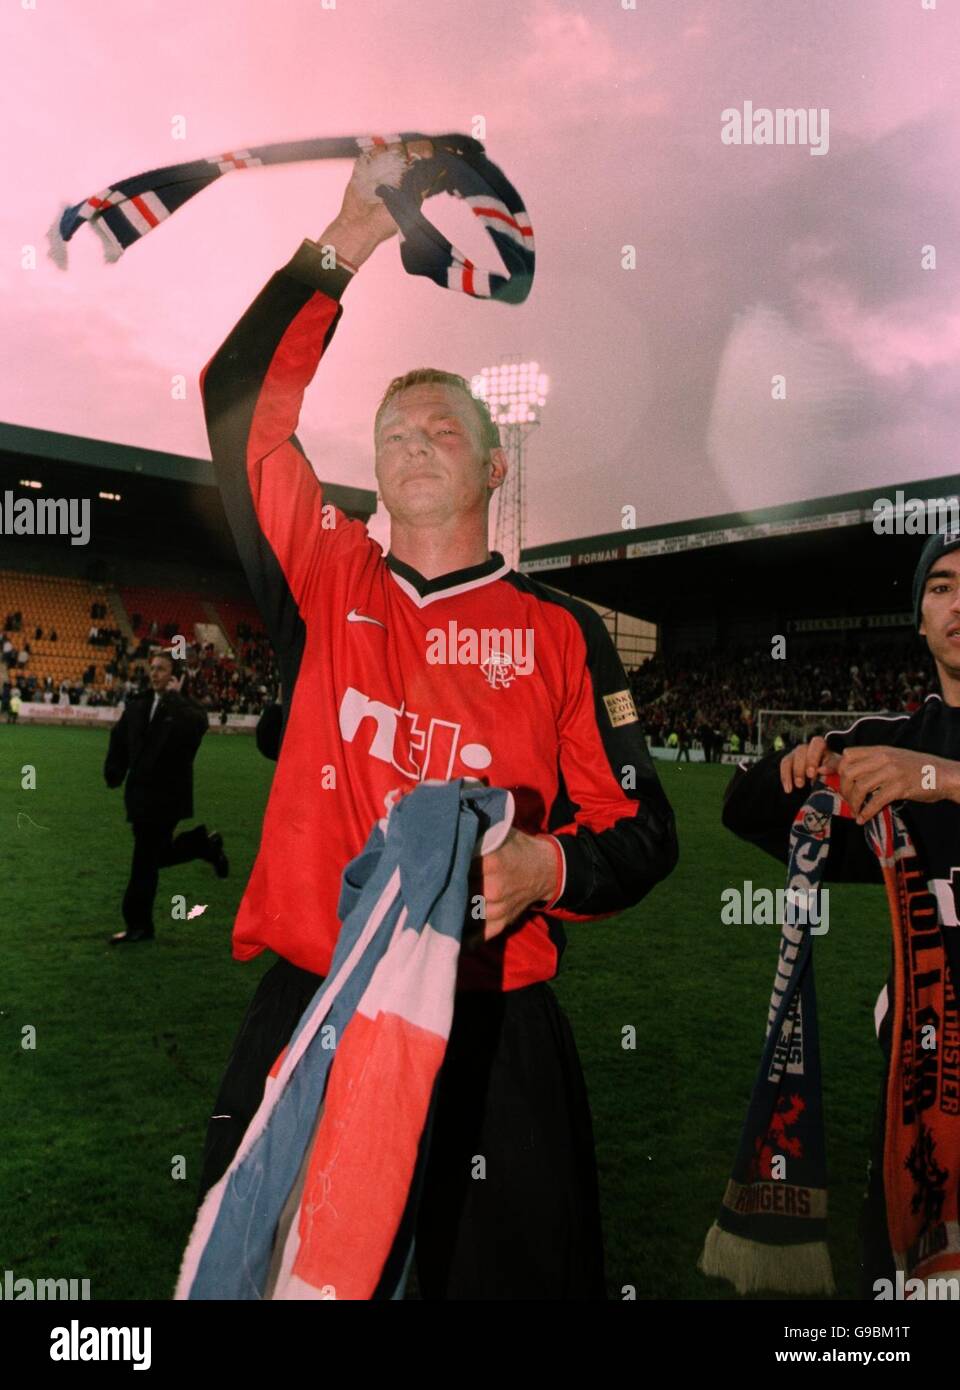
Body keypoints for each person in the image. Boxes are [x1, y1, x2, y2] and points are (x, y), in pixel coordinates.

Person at [195, 141, 678, 1300]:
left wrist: (546, 863)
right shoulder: (328, 578)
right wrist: (349, 235)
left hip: (493, 1032)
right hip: (312, 1007)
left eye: (442, 427)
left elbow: (645, 831)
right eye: (393, 430)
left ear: (495, 466)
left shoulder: (561, 633)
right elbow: (239, 406)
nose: (411, 439)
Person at [720, 530, 960, 1295]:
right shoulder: (889, 745)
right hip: (925, 1087)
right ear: (920, 620)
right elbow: (746, 809)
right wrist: (798, 767)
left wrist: (943, 779)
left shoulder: (914, 762)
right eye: (942, 586)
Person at [103, 650, 229, 944]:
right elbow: (120, 737)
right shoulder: (138, 705)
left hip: (167, 798)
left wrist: (175, 697)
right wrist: (114, 769)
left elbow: (198, 728)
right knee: (154, 857)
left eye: (161, 669)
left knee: (143, 861)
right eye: (153, 668)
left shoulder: (185, 709)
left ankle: (138, 925)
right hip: (139, 798)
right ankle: (203, 845)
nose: (155, 673)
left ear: (175, 676)